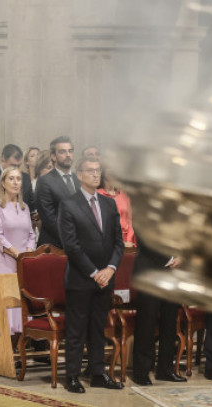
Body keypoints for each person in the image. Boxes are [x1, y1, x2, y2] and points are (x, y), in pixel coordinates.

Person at [58, 156, 124, 393]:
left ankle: (98, 373)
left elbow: (119, 242)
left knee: (98, 328)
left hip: (105, 278)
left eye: (98, 170)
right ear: (79, 175)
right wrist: (95, 272)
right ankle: (73, 376)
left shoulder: (109, 204)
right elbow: (71, 245)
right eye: (90, 171)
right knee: (76, 330)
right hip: (81, 278)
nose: (96, 174)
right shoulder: (69, 204)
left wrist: (110, 269)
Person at [131, 242, 186, 386]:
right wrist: (170, 259)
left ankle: (166, 370)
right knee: (146, 323)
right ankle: (141, 372)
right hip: (149, 271)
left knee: (169, 323)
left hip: (172, 274)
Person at [0, 167, 36, 345]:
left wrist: (28, 252)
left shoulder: (25, 207)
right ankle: (5, 351)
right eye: (11, 179)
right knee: (7, 306)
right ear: (3, 183)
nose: (15, 182)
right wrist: (17, 253)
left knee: (20, 306)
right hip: (5, 261)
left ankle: (18, 350)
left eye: (18, 179)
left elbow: (31, 234)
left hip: (24, 264)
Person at [36, 136, 80, 248]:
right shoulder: (45, 181)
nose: (68, 155)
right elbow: (50, 220)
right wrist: (73, 239)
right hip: (54, 247)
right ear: (53, 156)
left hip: (79, 248)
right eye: (62, 152)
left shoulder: (79, 180)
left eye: (70, 151)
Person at [97, 166, 136, 247]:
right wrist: (120, 244)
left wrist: (128, 241)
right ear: (103, 172)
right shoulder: (97, 195)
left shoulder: (124, 195)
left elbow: (130, 221)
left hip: (128, 242)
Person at [0, 144, 36, 213]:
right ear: (3, 160)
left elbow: (31, 204)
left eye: (18, 166)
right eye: (13, 165)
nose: (16, 169)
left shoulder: (26, 178)